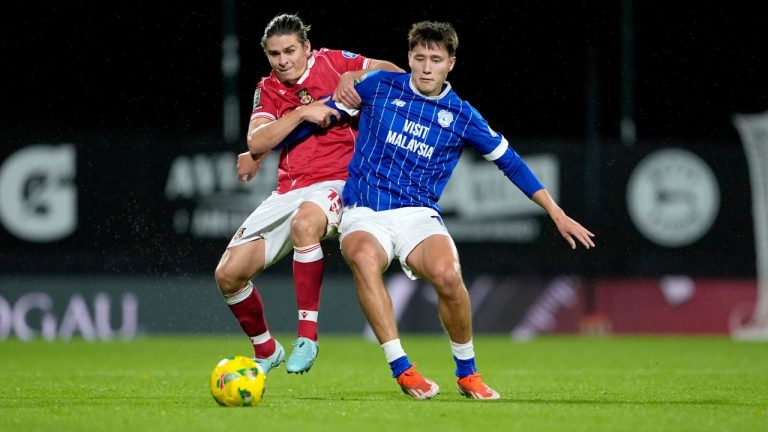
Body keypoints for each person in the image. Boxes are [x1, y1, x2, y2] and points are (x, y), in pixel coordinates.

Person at [333, 21, 596, 399]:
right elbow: (320, 111)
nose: (426, 67)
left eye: (435, 60)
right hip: (365, 210)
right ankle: (402, 368)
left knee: (449, 275)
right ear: (408, 58)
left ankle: (467, 372)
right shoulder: (377, 86)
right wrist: (262, 146)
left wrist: (555, 211)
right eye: (419, 58)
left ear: (450, 64)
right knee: (362, 258)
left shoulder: (461, 116)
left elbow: (511, 163)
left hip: (417, 215)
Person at [214, 13, 402, 376]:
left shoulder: (334, 62)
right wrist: (302, 112)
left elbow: (393, 72)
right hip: (288, 189)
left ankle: (308, 337)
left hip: (338, 182)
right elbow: (257, 140)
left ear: (307, 48)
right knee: (228, 275)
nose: (283, 60)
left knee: (305, 224)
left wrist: (355, 76)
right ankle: (266, 349)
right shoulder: (268, 88)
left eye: (289, 51)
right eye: (274, 54)